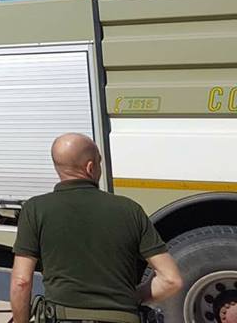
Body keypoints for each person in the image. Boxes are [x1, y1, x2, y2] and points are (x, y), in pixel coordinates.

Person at [10, 133, 183, 323]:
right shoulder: (129, 209)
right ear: (90, 167)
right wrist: (133, 297)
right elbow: (171, 279)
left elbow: (21, 282)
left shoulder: (35, 209)